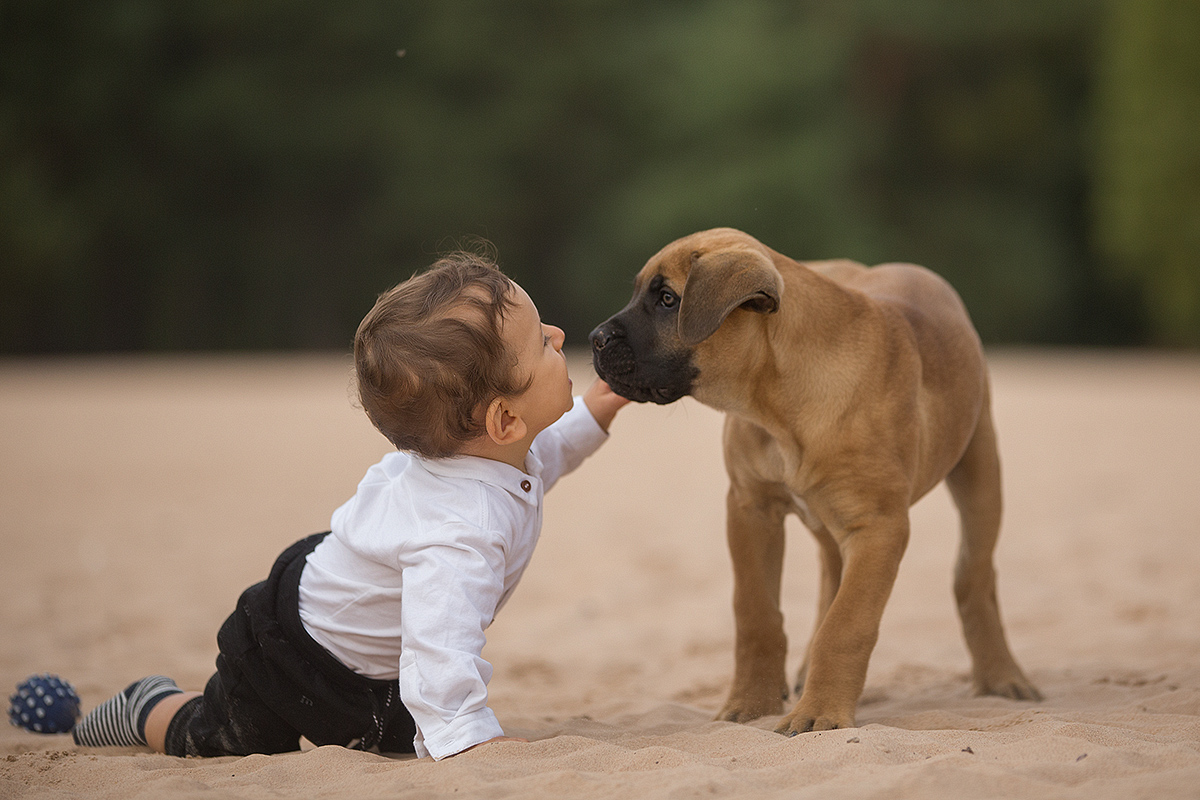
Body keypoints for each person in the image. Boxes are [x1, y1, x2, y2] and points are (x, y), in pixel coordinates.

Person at [69, 251, 630, 760]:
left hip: (357, 622)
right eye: (543, 346)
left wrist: (598, 408)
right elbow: (440, 643)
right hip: (300, 650)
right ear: (504, 419)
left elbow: (545, 454)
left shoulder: (503, 456)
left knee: (394, 735)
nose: (558, 335)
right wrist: (467, 734)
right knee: (227, 738)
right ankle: (149, 707)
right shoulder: (460, 532)